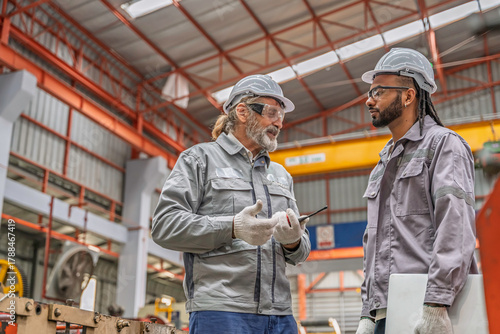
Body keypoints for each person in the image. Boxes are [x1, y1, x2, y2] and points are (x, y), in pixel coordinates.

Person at [152, 74, 311, 334]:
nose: (278, 123)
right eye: (271, 113)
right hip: (221, 312)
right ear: (243, 111)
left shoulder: (282, 176)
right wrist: (233, 227)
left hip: (280, 315)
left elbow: (301, 252)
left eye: (281, 116)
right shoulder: (199, 160)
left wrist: (293, 240)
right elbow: (164, 227)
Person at [355, 48, 478, 334]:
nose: (368, 100)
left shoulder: (443, 146)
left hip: (429, 309)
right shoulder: (384, 160)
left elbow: (455, 225)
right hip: (386, 311)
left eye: (378, 91)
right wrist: (367, 313)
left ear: (409, 95)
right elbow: (372, 242)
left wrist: (436, 303)